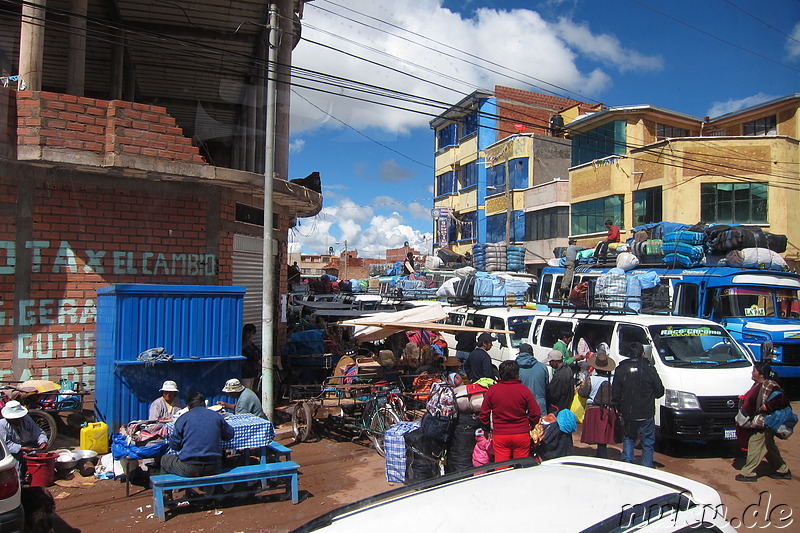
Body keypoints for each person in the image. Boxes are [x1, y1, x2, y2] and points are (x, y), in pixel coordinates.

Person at [735, 362, 792, 482]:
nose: (752, 372)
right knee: (768, 446)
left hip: (764, 422)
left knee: (755, 444)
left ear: (761, 374)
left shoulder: (770, 385)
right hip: (757, 421)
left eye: (754, 370)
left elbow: (783, 400)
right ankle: (782, 470)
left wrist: (768, 406)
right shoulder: (757, 384)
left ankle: (748, 473)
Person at [612, 341, 664, 468]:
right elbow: (659, 391)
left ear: (629, 354)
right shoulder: (650, 369)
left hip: (628, 412)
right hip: (646, 412)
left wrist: (619, 409)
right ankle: (646, 468)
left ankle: (628, 466)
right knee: (647, 441)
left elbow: (616, 394)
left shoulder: (621, 369)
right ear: (643, 354)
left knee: (629, 438)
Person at [478, 360, 540, 462]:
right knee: (521, 467)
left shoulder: (492, 390)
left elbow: (484, 414)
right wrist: (531, 424)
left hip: (500, 435)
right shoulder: (524, 390)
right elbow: (536, 412)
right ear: (517, 374)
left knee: (502, 468)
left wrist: (486, 429)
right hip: (521, 434)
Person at [162, 391, 235, 478]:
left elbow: (174, 445)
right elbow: (229, 435)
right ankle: (210, 488)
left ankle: (165, 490)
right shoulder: (216, 416)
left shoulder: (183, 419)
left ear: (188, 407)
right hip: (213, 466)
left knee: (164, 459)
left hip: (189, 467)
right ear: (204, 404)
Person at [580, 347, 617, 458]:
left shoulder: (592, 379)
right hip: (608, 410)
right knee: (603, 438)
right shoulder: (613, 379)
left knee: (598, 438)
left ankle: (601, 457)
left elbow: (583, 393)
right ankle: (601, 455)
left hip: (594, 410)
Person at [0, 400, 48, 475]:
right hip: (13, 453)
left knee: (39, 459)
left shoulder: (26, 419)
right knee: (16, 467)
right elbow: (6, 444)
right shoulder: (2, 424)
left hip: (29, 447)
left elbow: (38, 431)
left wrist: (43, 441)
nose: (17, 420)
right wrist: (21, 448)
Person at [516, 343, 549, 416]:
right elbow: (546, 387)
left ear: (520, 353)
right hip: (539, 405)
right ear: (532, 354)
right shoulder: (542, 367)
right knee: (540, 426)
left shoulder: (515, 368)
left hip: (522, 406)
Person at [546, 349, 574, 414]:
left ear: (555, 362)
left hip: (559, 407)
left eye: (551, 362)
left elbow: (554, 394)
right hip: (566, 405)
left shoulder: (559, 375)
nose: (550, 364)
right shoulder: (568, 369)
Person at [241, 323, 262, 390]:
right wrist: (257, 359)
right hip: (245, 373)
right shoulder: (243, 344)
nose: (250, 335)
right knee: (246, 390)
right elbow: (249, 353)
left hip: (251, 372)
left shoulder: (250, 344)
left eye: (252, 333)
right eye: (248, 333)